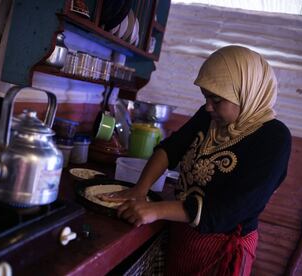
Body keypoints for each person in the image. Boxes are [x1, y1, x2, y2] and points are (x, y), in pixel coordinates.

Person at [100, 45, 291, 275]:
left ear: (245, 93)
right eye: (205, 97)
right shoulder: (210, 116)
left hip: (221, 249)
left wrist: (156, 210)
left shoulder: (273, 138)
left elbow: (229, 210)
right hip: (183, 235)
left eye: (216, 99)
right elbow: (171, 149)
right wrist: (140, 190)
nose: (208, 106)